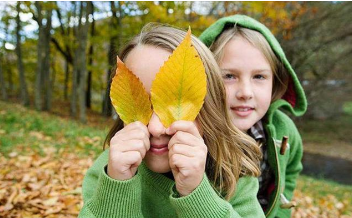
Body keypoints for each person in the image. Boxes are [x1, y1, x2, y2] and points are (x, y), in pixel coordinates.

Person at [78, 24, 265, 218]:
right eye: (143, 105)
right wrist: (117, 190)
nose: (156, 128)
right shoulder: (108, 171)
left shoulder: (235, 175)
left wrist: (197, 196)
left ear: (211, 109)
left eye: (173, 105)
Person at [199, 15, 307, 218]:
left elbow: (290, 173)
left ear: (276, 82)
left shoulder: (284, 131)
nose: (245, 92)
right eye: (229, 76)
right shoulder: (192, 135)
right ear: (203, 78)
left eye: (259, 77)